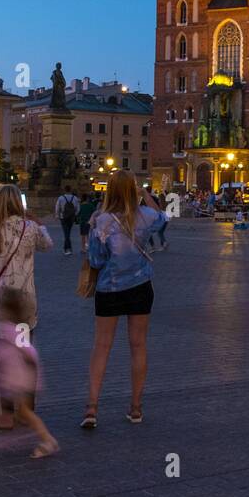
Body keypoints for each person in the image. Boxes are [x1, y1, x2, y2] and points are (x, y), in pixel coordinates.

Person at [82, 173, 167, 428]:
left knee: (101, 347)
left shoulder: (101, 220)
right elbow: (163, 220)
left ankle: (92, 408)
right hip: (140, 287)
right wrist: (145, 195)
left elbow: (95, 260)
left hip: (109, 289)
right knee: (138, 346)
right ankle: (136, 408)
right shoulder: (144, 216)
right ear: (132, 191)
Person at [0, 185, 53, 430]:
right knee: (24, 355)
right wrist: (38, 223)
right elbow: (48, 245)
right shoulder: (30, 230)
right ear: (19, 203)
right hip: (24, 304)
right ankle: (26, 411)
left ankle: (5, 415)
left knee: (3, 360)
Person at [0, 288, 58, 459]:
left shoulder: (12, 330)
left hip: (22, 379)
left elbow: (26, 351)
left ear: (8, 310)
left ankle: (48, 440)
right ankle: (44, 438)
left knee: (25, 412)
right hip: (21, 378)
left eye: (1, 309)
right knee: (23, 412)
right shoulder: (17, 328)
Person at [54, 185, 79, 255]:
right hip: (71, 217)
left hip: (63, 217)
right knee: (68, 232)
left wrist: (57, 215)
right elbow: (78, 208)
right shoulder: (75, 198)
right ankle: (68, 248)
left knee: (66, 233)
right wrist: (75, 215)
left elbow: (57, 207)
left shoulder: (61, 198)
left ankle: (67, 249)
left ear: (64, 190)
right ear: (71, 190)